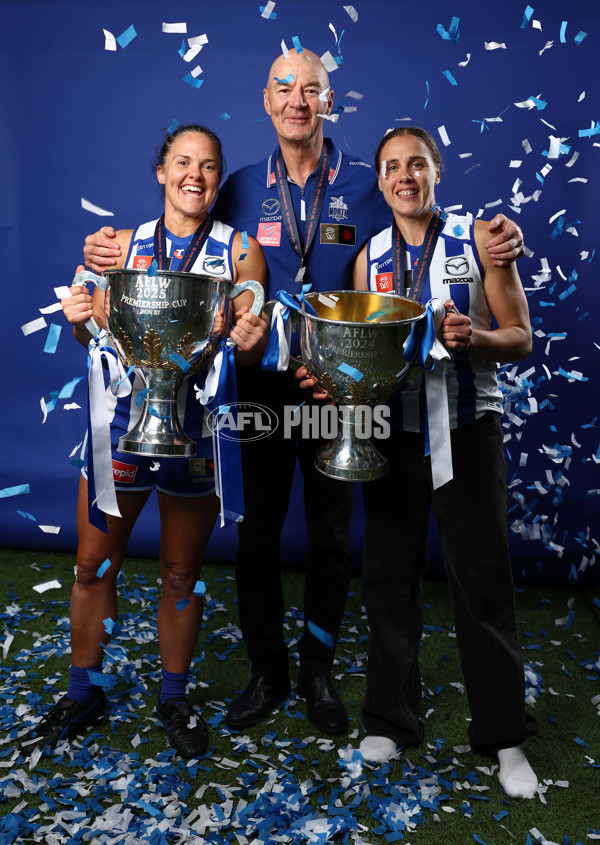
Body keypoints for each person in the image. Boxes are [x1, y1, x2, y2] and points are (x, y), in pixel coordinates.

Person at [82, 49, 525, 737]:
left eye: (311, 89)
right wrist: (104, 249)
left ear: (329, 100)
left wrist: (498, 234)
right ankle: (268, 670)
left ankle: (317, 671)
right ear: (266, 101)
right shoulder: (236, 184)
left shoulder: (369, 181)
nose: (298, 100)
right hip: (257, 381)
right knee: (257, 533)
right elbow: (184, 238)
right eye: (285, 88)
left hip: (342, 387)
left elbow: (426, 224)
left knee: (328, 536)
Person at [20, 124, 268, 761]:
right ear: (161, 171)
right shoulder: (119, 248)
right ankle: (83, 690)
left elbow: (255, 342)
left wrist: (247, 334)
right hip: (126, 425)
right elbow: (96, 341)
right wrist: (80, 322)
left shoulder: (240, 252)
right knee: (91, 565)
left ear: (219, 179)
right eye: (183, 162)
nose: (196, 175)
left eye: (209, 166)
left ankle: (174, 696)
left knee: (181, 570)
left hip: (196, 432)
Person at [350, 126, 539, 799]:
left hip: (465, 424)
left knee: (482, 579)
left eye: (418, 165)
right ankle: (389, 717)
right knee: (388, 575)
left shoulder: (480, 238)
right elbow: (359, 348)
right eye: (393, 167)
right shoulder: (367, 257)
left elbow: (519, 335)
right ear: (379, 181)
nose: (406, 176)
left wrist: (476, 336)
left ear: (438, 172)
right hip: (395, 431)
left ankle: (504, 735)